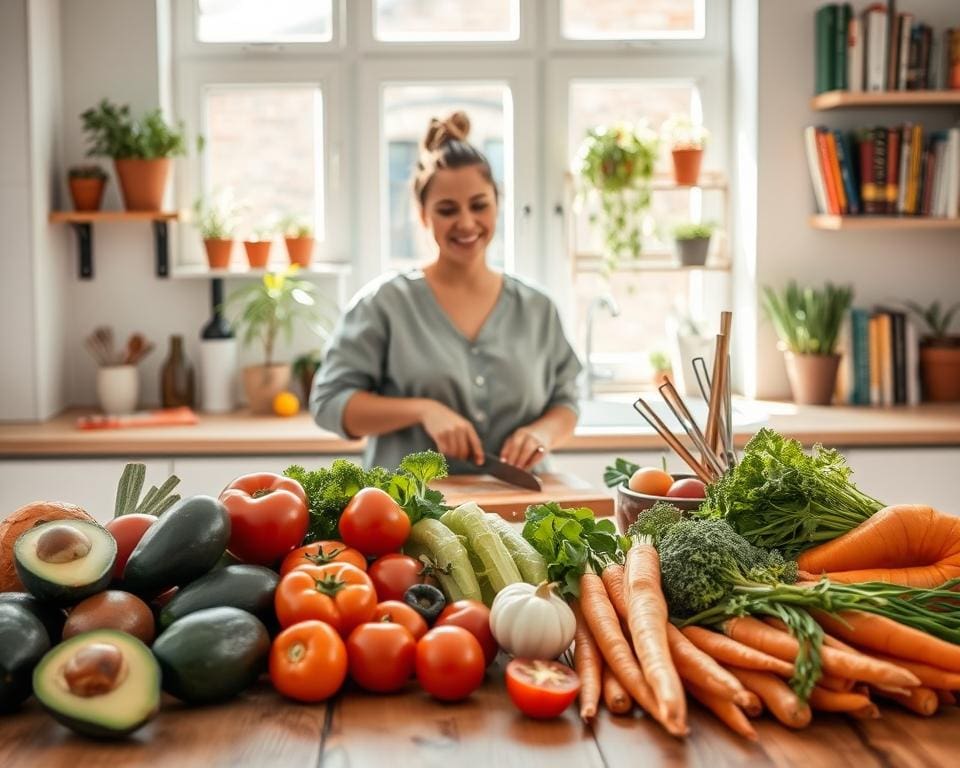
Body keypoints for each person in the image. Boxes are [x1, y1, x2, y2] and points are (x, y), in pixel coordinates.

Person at [310, 111, 581, 472]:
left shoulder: (537, 309)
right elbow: (329, 403)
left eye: (479, 205)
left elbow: (566, 403)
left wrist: (543, 433)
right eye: (447, 209)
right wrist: (423, 410)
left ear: (497, 205)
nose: (466, 223)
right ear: (423, 215)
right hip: (409, 516)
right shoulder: (385, 305)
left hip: (521, 514)